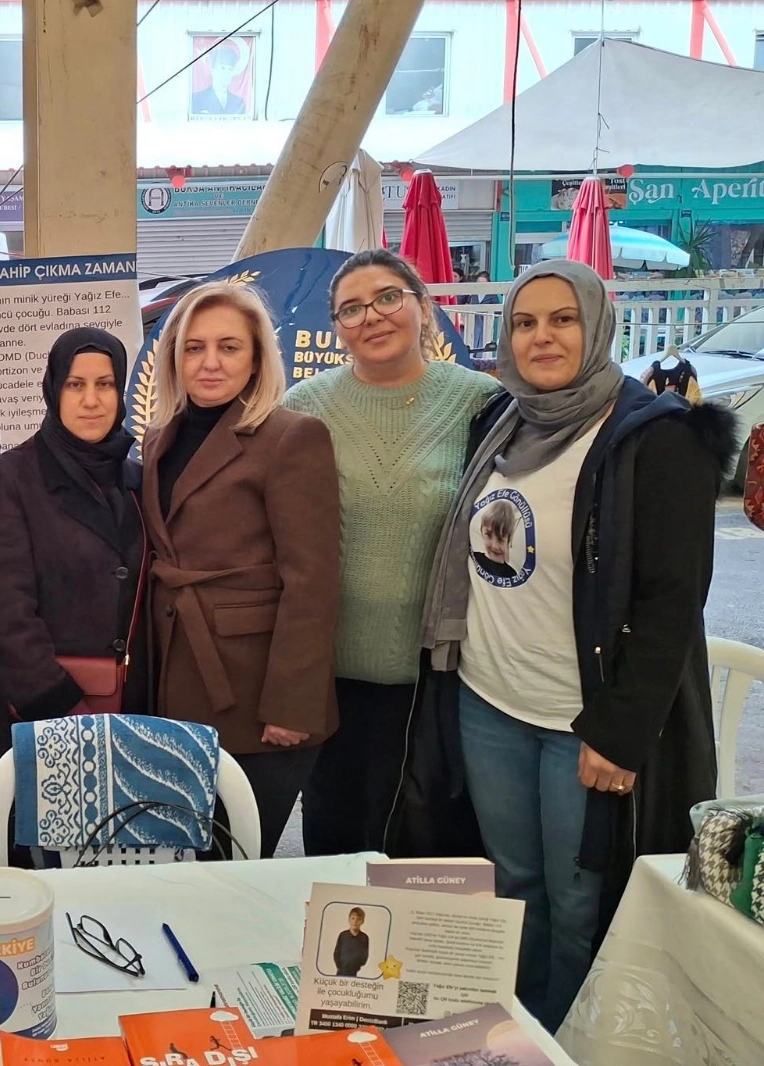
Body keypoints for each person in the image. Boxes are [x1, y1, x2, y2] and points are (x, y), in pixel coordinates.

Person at [418, 259, 734, 1031]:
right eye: (525, 322)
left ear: (597, 326)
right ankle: (516, 1031)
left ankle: (571, 1041)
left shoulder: (657, 438)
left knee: (578, 903)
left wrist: (620, 733)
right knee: (514, 884)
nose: (543, 337)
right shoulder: (500, 420)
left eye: (563, 319)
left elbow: (672, 602)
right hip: (490, 701)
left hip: (580, 719)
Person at [287, 248, 501, 857]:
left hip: (440, 679)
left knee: (429, 851)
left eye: (388, 298)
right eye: (351, 309)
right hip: (331, 680)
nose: (372, 317)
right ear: (337, 328)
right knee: (336, 847)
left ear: (424, 307)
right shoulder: (304, 407)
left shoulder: (481, 402)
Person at [142, 281, 340, 859]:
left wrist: (291, 705)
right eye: (194, 347)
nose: (210, 362)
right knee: (181, 860)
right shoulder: (157, 439)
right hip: (173, 682)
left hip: (256, 694)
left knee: (237, 862)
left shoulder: (292, 437)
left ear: (256, 357)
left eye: (229, 347)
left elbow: (313, 582)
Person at [0, 327, 147, 868]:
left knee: (108, 861)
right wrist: (65, 709)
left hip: (121, 707)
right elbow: (6, 609)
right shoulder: (10, 478)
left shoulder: (136, 479)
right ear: (52, 389)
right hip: (35, 710)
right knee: (27, 871)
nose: (91, 400)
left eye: (105, 384)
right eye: (75, 384)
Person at [191, 47, 248, 116]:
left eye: (230, 69)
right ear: (212, 71)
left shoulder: (238, 103)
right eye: (222, 68)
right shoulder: (197, 99)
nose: (226, 73)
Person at [333, 907, 369, 977]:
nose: (355, 921)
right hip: (341, 971)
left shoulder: (364, 938)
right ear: (349, 919)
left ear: (362, 921)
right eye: (353, 918)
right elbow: (336, 953)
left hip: (354, 972)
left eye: (358, 919)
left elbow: (364, 956)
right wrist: (339, 966)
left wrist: (356, 966)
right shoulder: (343, 935)